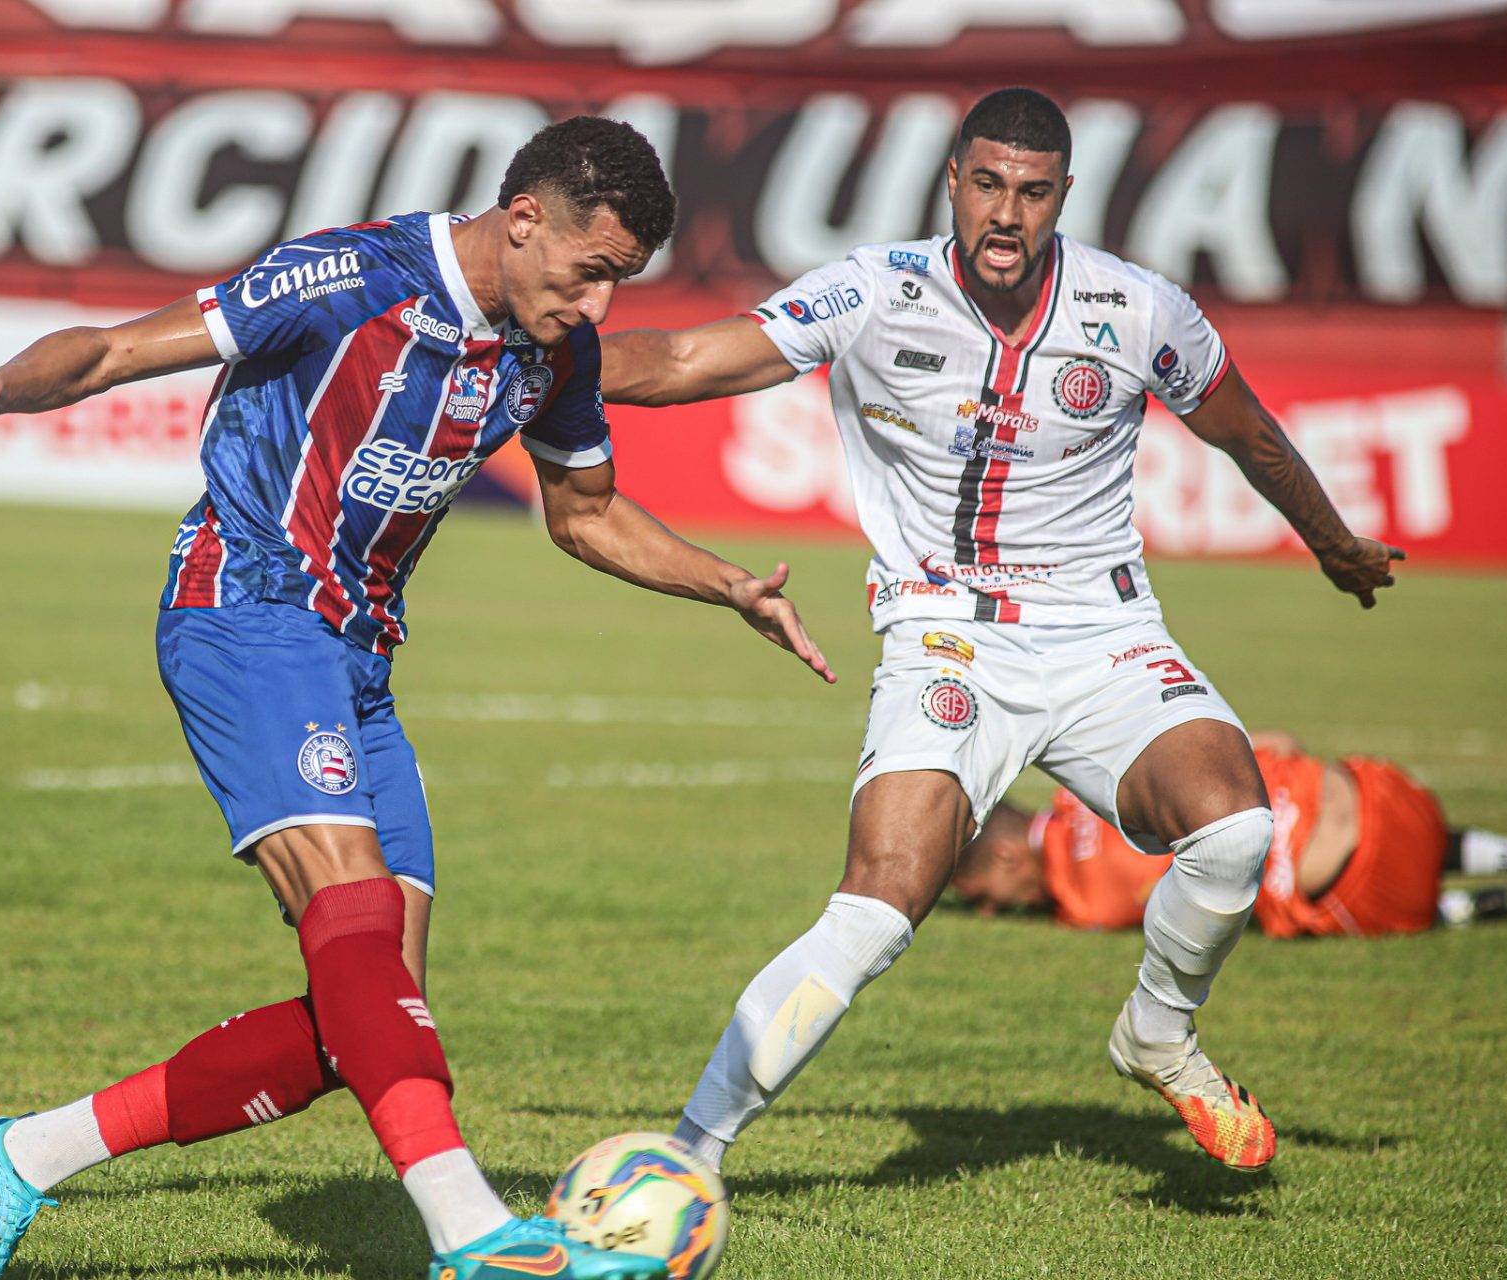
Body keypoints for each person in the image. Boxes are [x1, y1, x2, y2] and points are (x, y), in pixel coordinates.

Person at [0, 116, 832, 1280]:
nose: (597, 308)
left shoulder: (554, 349)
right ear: (523, 219)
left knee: (366, 1018)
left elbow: (584, 514)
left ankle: (19, 1154)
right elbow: (119, 352)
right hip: (244, 607)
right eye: (592, 272)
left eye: (619, 284)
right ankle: (473, 1233)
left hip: (360, 658)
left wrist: (728, 582)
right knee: (357, 930)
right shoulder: (350, 276)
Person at [599, 88, 1405, 1175]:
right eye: (987, 184)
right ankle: (689, 1157)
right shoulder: (873, 292)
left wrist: (1333, 541)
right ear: (953, 181)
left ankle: (1159, 1033)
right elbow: (690, 362)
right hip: (945, 640)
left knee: (1237, 830)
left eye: (1031, 191)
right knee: (876, 908)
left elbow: (1249, 433)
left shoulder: (1140, 309)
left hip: (1102, 634)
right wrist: (533, 366)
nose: (1006, 214)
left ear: (1063, 195)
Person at [953, 731, 1507, 933]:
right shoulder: (1086, 772)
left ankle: (1463, 910)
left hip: (1364, 889)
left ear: (1005, 857)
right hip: (1390, 796)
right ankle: (1498, 853)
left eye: (984, 898)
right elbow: (1279, 738)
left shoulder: (1083, 902)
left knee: (1282, 892)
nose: (990, 911)